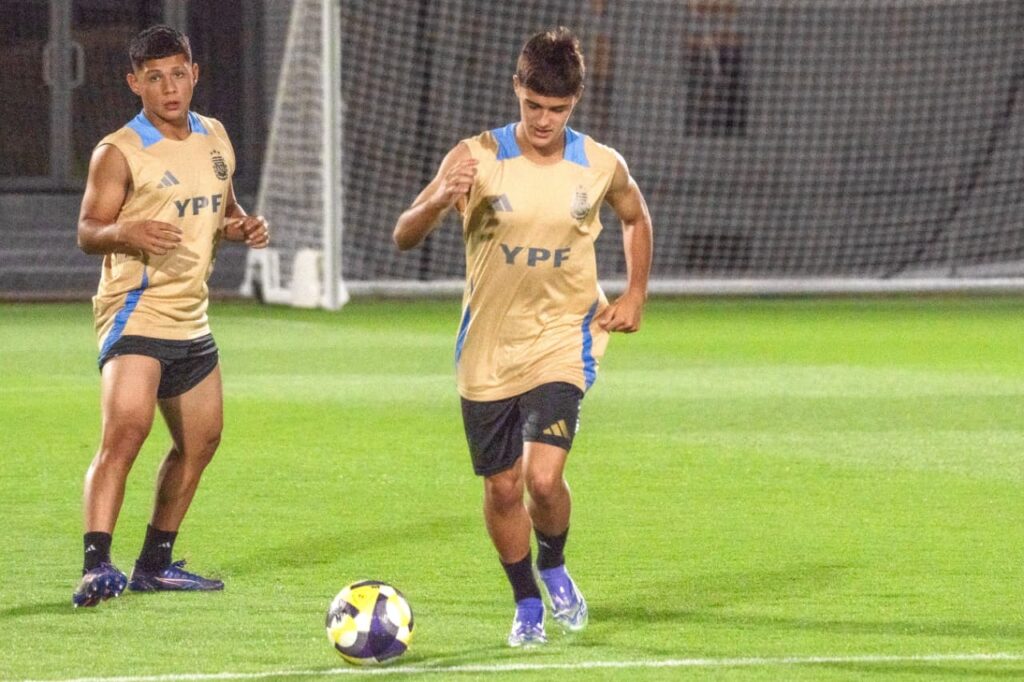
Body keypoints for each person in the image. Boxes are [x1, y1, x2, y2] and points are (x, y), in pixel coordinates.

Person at [393, 27, 653, 647]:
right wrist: (439, 199)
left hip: (564, 339)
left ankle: (554, 565)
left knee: (542, 479)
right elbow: (404, 234)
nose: (543, 120)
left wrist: (636, 293)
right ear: (517, 88)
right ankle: (526, 600)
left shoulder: (600, 164)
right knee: (502, 486)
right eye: (533, 105)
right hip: (487, 351)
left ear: (575, 101)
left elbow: (635, 216)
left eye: (556, 109)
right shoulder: (476, 156)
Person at [72, 25, 269, 608]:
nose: (169, 87)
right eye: (154, 77)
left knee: (201, 442)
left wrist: (241, 226)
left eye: (178, 74)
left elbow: (223, 209)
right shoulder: (118, 151)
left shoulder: (215, 136)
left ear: (194, 74)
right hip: (135, 313)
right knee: (125, 434)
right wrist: (125, 231)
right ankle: (95, 567)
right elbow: (88, 231)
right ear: (135, 83)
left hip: (191, 317)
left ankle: (154, 564)